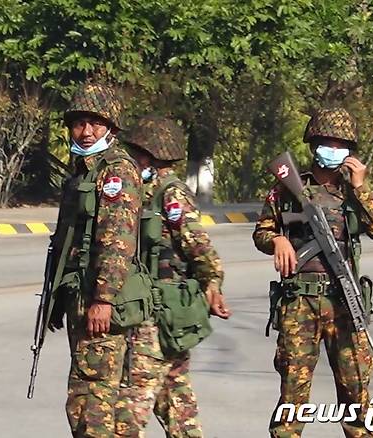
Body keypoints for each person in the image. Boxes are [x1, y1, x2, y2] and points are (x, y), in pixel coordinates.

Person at [253, 107, 373, 438]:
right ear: (313, 144)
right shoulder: (289, 186)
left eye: (340, 144)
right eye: (326, 142)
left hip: (344, 302)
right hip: (300, 302)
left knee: (356, 394)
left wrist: (360, 188)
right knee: (293, 398)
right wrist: (278, 242)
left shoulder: (353, 191)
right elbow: (261, 232)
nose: (333, 149)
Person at [115, 115, 231, 437]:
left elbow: (199, 246)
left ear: (150, 155)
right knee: (177, 398)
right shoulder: (139, 189)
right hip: (154, 311)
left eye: (135, 152)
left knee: (131, 405)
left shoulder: (169, 193)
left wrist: (213, 283)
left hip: (157, 314)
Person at [47, 82, 144, 437]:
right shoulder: (83, 172)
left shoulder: (115, 171)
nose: (86, 132)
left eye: (95, 123)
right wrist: (57, 301)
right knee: (98, 398)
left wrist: (103, 299)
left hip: (100, 301)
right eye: (79, 123)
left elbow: (118, 239)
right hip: (79, 296)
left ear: (112, 128)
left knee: (91, 400)